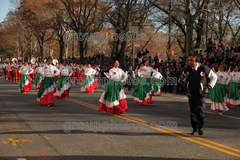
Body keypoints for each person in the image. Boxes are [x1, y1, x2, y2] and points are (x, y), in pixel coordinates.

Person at [179, 53, 217, 135]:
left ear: (196, 61)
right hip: (191, 94)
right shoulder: (187, 69)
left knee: (199, 110)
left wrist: (209, 86)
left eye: (191, 60)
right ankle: (194, 129)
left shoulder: (204, 68)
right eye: (189, 60)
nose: (190, 62)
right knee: (192, 112)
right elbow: (182, 80)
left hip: (201, 94)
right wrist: (181, 81)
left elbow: (214, 77)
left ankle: (200, 127)